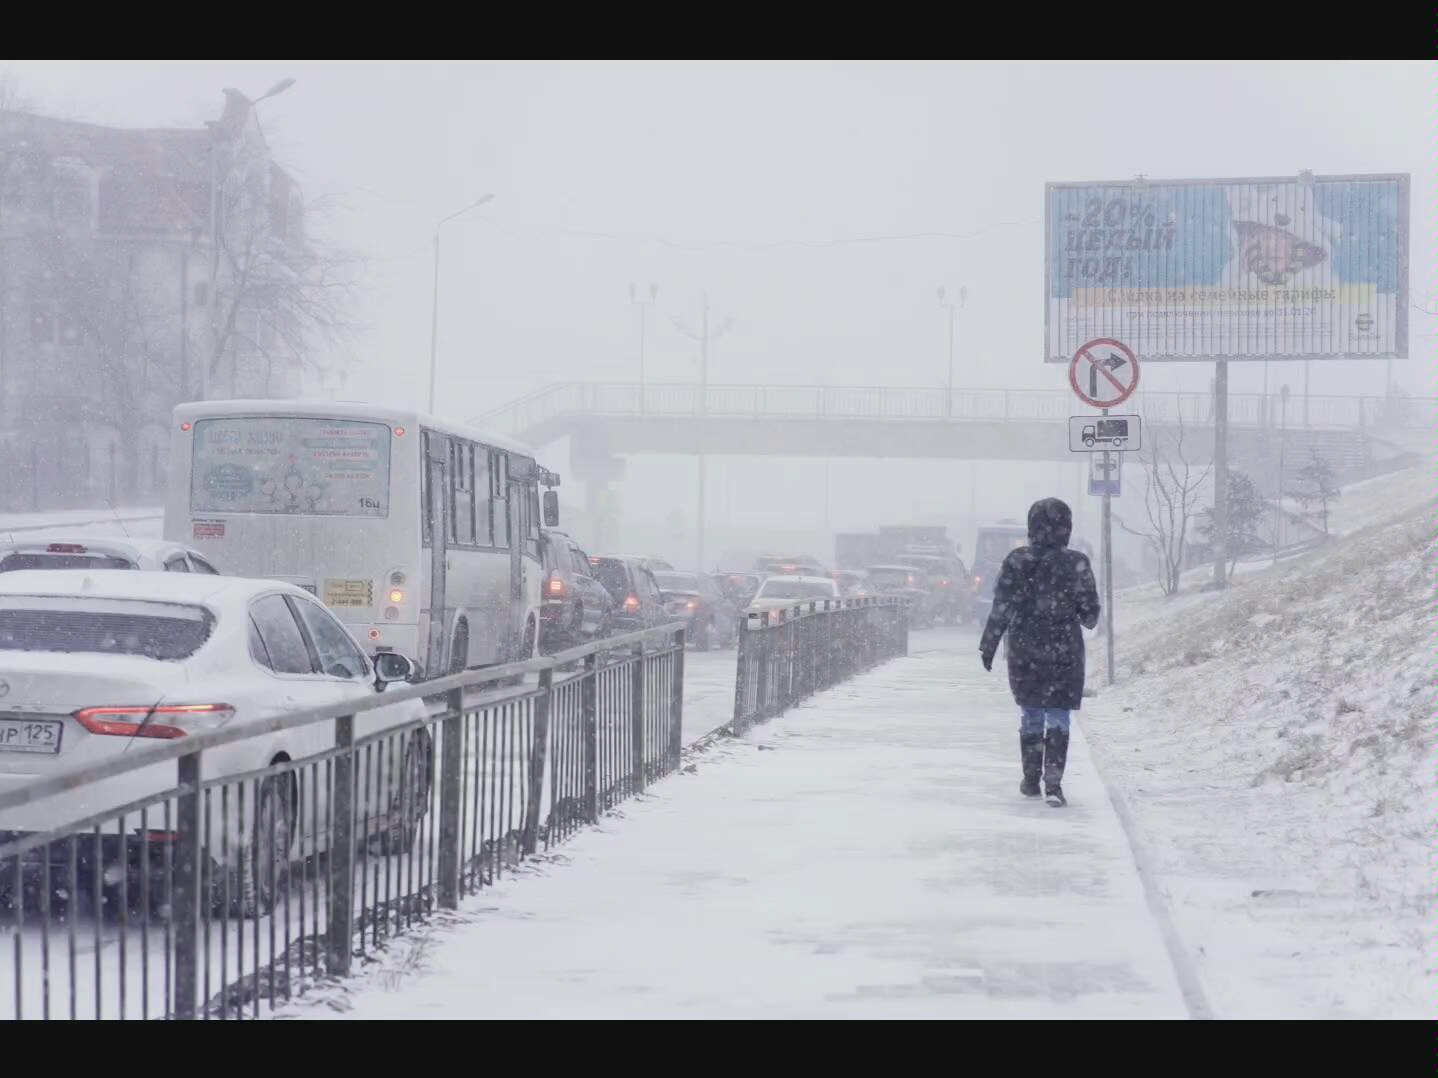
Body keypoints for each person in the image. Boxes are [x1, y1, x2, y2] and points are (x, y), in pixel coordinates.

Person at [978, 498, 1101, 807]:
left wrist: (989, 644)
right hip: (1064, 649)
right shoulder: (1077, 563)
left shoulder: (1017, 561)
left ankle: (1031, 778)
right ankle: (1055, 784)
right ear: (1067, 528)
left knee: (1031, 711)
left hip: (1026, 647)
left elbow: (1002, 606)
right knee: (1059, 714)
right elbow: (1090, 616)